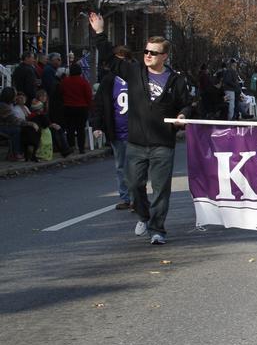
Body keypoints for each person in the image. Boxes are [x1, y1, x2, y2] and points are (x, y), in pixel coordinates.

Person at [91, 13, 193, 245]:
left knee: (160, 190)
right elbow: (109, 55)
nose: (148, 55)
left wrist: (182, 116)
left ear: (164, 56)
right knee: (134, 185)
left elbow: (186, 104)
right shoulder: (134, 71)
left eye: (153, 53)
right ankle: (144, 216)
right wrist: (99, 31)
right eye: (146, 51)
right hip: (136, 144)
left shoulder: (176, 80)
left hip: (162, 145)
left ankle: (157, 230)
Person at [92, 45, 132, 210]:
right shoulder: (109, 81)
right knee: (121, 166)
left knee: (136, 166)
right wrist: (97, 125)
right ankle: (125, 197)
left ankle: (139, 197)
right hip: (117, 130)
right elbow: (99, 104)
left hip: (136, 131)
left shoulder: (137, 77)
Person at [60, 63, 93, 155]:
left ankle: (71, 146)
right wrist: (89, 106)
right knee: (80, 129)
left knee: (70, 128)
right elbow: (88, 96)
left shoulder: (65, 81)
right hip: (81, 107)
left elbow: (61, 93)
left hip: (68, 107)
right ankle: (81, 148)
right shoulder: (83, 82)